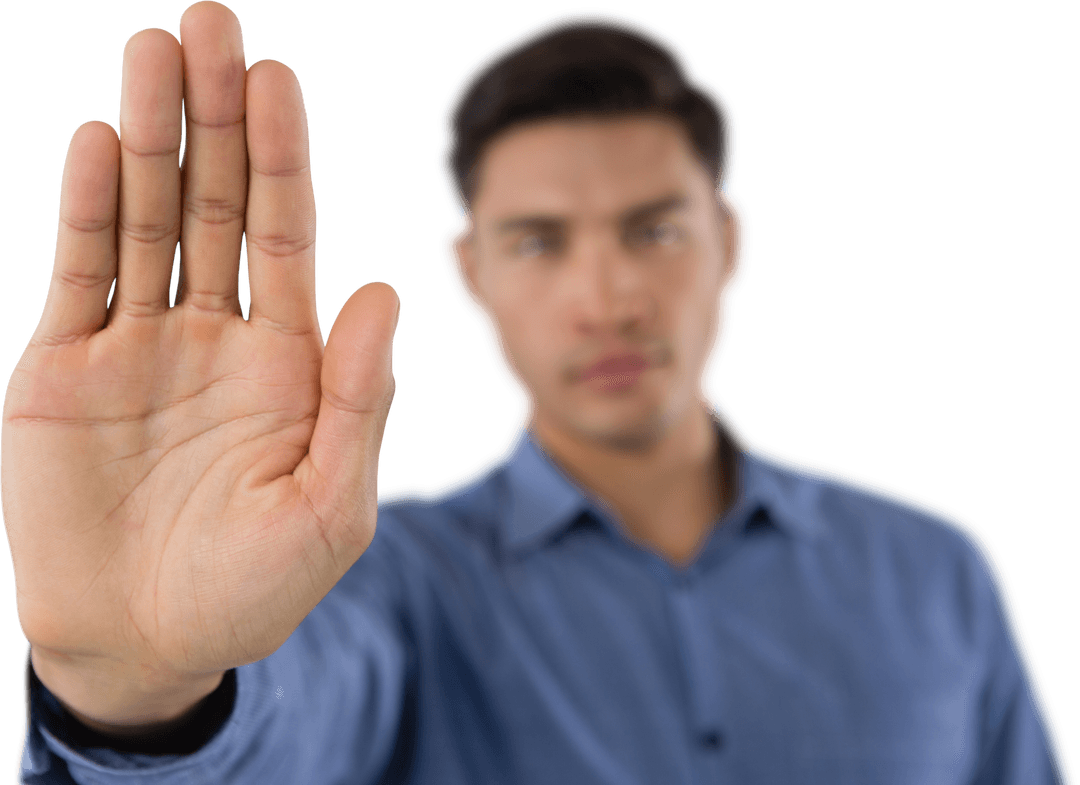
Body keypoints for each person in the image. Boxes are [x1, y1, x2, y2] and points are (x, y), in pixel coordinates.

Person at [3, 2, 1072, 783]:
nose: (606, 297)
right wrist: (138, 692)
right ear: (472, 273)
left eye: (654, 228)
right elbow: (281, 731)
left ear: (731, 240)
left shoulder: (940, 571)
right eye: (540, 241)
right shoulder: (375, 579)